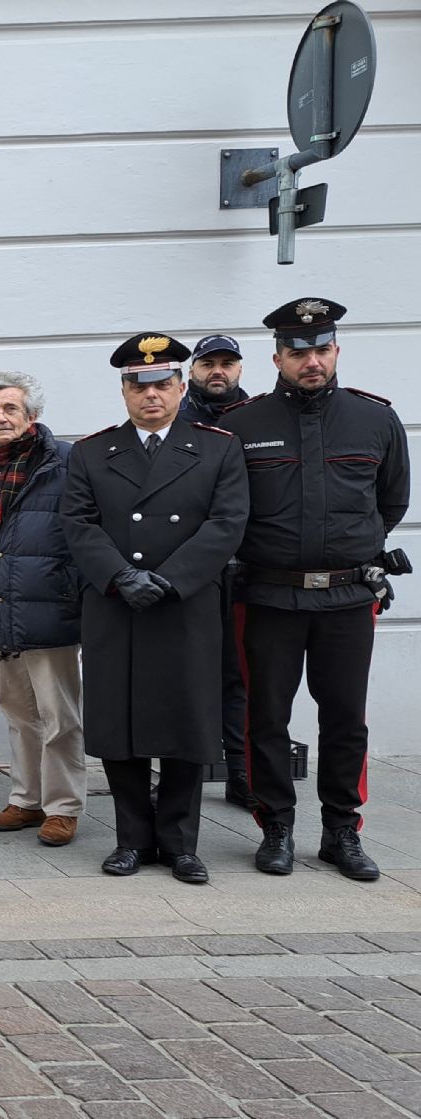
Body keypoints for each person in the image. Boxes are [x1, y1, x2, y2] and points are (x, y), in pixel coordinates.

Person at [221, 299, 408, 883]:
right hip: (270, 598)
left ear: (336, 351)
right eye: (298, 351)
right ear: (276, 356)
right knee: (266, 716)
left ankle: (340, 831)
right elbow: (226, 507)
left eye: (321, 349)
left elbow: (391, 501)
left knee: (346, 717)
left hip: (348, 600)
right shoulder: (241, 425)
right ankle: (274, 825)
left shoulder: (375, 419)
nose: (311, 361)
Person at [60, 333, 247, 884]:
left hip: (183, 605)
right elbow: (77, 523)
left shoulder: (216, 446)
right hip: (116, 605)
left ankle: (181, 844)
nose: (152, 396)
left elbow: (227, 523)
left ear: (180, 385)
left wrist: (167, 580)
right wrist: (121, 575)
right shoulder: (93, 451)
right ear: (124, 390)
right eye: (139, 386)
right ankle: (131, 840)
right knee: (120, 725)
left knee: (187, 725)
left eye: (163, 384)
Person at [0, 373, 85, 846]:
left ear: (32, 415)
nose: (0, 417)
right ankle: (26, 799)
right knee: (17, 711)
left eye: (10, 408)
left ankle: (63, 806)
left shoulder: (65, 463)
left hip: (49, 607)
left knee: (59, 715)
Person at [179, 335, 255, 809]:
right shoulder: (174, 418)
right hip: (188, 568)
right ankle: (176, 770)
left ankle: (242, 773)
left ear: (241, 369)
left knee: (241, 676)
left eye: (227, 363)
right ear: (192, 371)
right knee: (183, 673)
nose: (218, 372)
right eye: (209, 364)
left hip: (247, 568)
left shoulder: (260, 419)